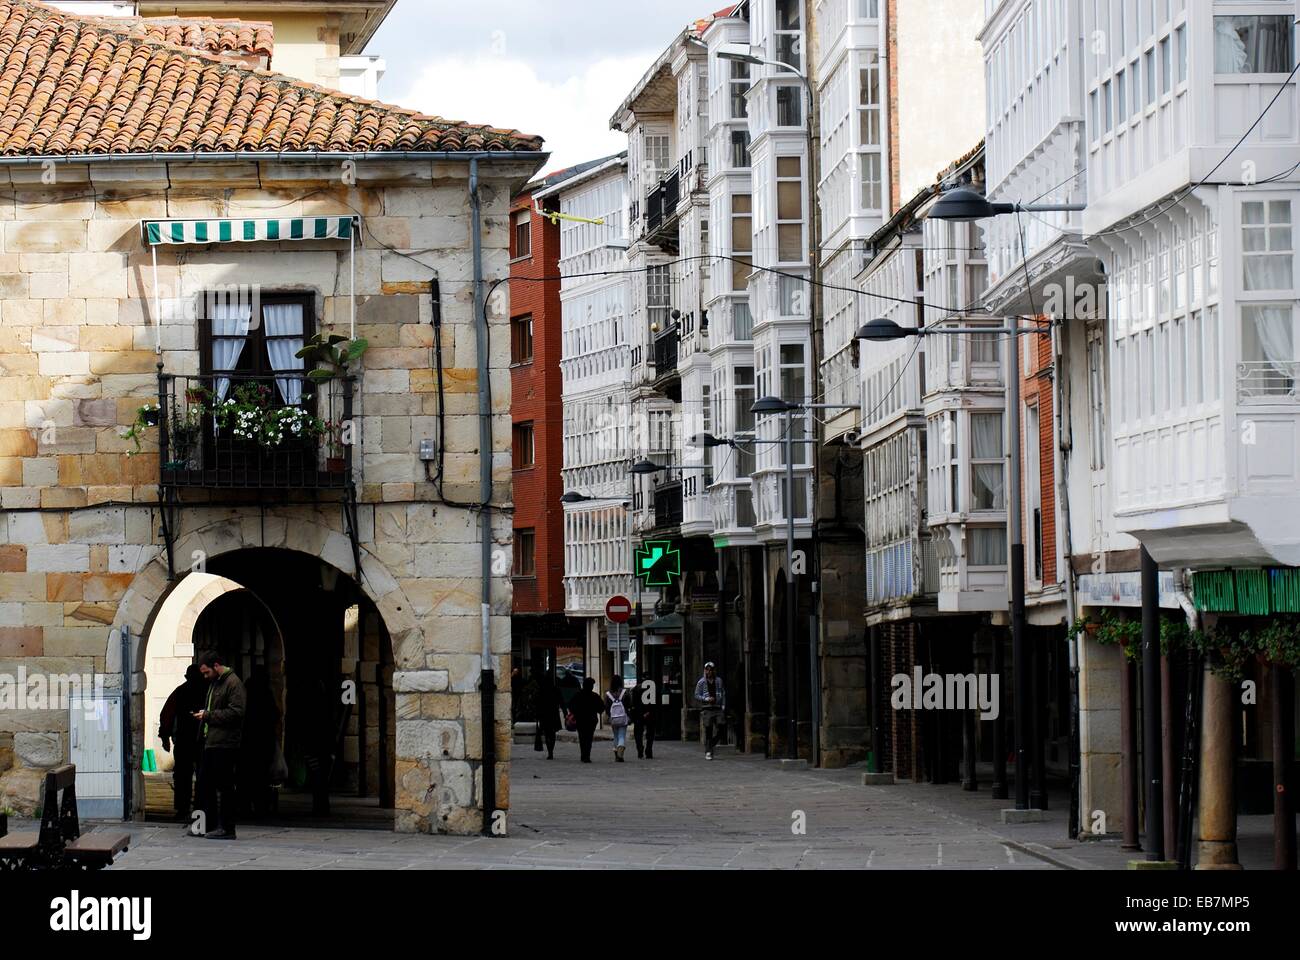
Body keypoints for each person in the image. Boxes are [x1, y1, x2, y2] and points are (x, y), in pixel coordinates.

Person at [191, 652, 246, 840]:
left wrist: (208, 716)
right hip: (211, 742)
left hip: (225, 744)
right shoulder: (215, 683)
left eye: (206, 672)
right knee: (205, 784)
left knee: (225, 786)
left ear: (216, 665)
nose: (205, 677)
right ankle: (207, 825)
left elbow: (237, 712)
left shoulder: (233, 683)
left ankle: (227, 828)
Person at [158, 665, 205, 821]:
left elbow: (166, 715)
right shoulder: (208, 691)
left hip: (185, 739)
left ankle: (183, 808)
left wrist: (165, 736)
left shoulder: (180, 691)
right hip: (202, 740)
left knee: (182, 776)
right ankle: (201, 807)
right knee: (202, 775)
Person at [239, 668, 278, 819]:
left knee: (245, 776)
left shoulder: (245, 691)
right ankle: (261, 806)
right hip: (263, 742)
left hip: (246, 742)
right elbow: (274, 715)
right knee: (262, 777)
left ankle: (245, 806)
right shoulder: (266, 693)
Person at [693, 661, 726, 760]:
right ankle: (708, 751)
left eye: (711, 670)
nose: (709, 672)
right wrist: (706, 699)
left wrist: (723, 705)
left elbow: (723, 692)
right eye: (707, 670)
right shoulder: (701, 682)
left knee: (722, 727)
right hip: (707, 708)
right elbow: (696, 694)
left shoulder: (719, 680)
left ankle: (711, 744)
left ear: (714, 670)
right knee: (709, 729)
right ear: (705, 671)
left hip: (718, 707)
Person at [569, 676, 604, 763]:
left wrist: (576, 713)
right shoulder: (594, 696)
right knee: (588, 738)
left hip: (581, 720)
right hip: (591, 720)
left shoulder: (578, 695)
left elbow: (571, 706)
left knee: (582, 738)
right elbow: (601, 708)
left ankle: (583, 755)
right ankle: (586, 755)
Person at [535, 672, 563, 759]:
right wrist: (565, 713)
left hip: (544, 714)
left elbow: (537, 704)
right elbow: (561, 701)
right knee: (552, 733)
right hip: (553, 714)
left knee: (547, 733)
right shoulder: (555, 690)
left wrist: (537, 715)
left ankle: (550, 751)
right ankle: (551, 750)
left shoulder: (542, 690)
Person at [603, 676, 632, 762]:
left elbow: (606, 707)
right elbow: (629, 704)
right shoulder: (625, 692)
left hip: (613, 718)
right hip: (623, 717)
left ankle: (616, 754)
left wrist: (609, 716)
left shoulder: (608, 694)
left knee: (615, 735)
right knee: (622, 735)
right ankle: (621, 749)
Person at [633, 678, 656, 760]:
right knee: (650, 733)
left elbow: (633, 703)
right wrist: (649, 711)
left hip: (638, 714)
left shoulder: (636, 688)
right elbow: (654, 703)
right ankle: (649, 751)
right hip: (650, 714)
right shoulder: (652, 688)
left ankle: (640, 750)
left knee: (638, 733)